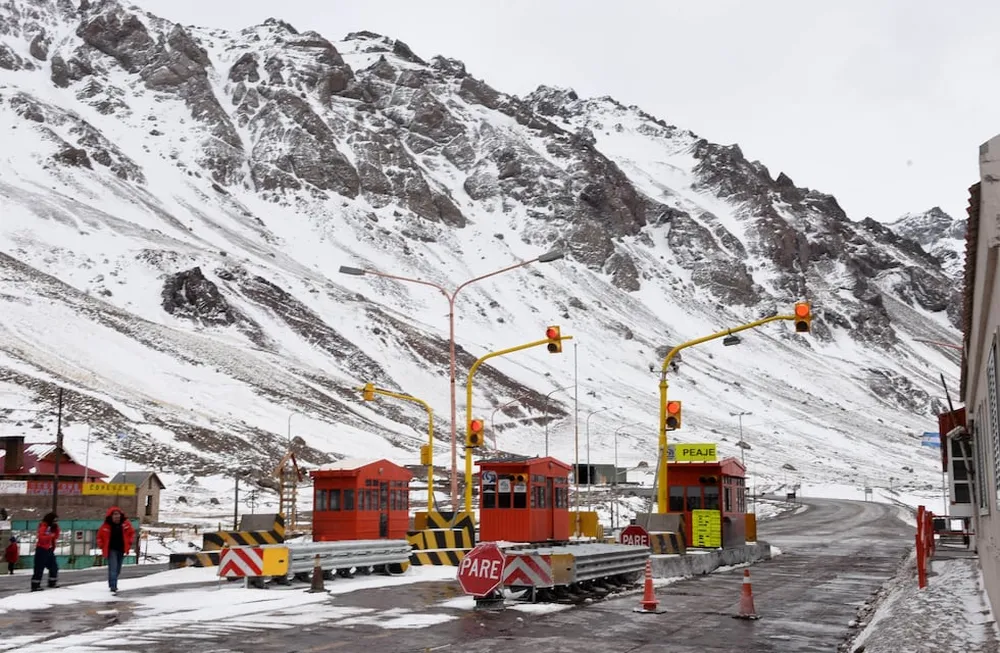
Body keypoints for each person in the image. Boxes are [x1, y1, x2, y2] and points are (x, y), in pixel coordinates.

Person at [96, 506, 135, 593]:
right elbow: (99, 536)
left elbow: (131, 533)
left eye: (118, 514)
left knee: (117, 569)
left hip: (121, 549)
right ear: (111, 516)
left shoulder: (125, 524)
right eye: (115, 514)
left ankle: (112, 582)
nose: (117, 516)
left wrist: (129, 542)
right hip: (111, 549)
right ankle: (113, 586)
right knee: (113, 568)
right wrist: (101, 545)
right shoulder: (106, 526)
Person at [31, 512, 59, 591]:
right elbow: (41, 537)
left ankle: (52, 582)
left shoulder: (53, 527)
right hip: (42, 549)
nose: (55, 522)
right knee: (39, 568)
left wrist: (56, 528)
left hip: (49, 549)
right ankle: (35, 585)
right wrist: (50, 536)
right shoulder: (43, 526)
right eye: (54, 520)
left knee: (54, 567)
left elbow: (56, 536)